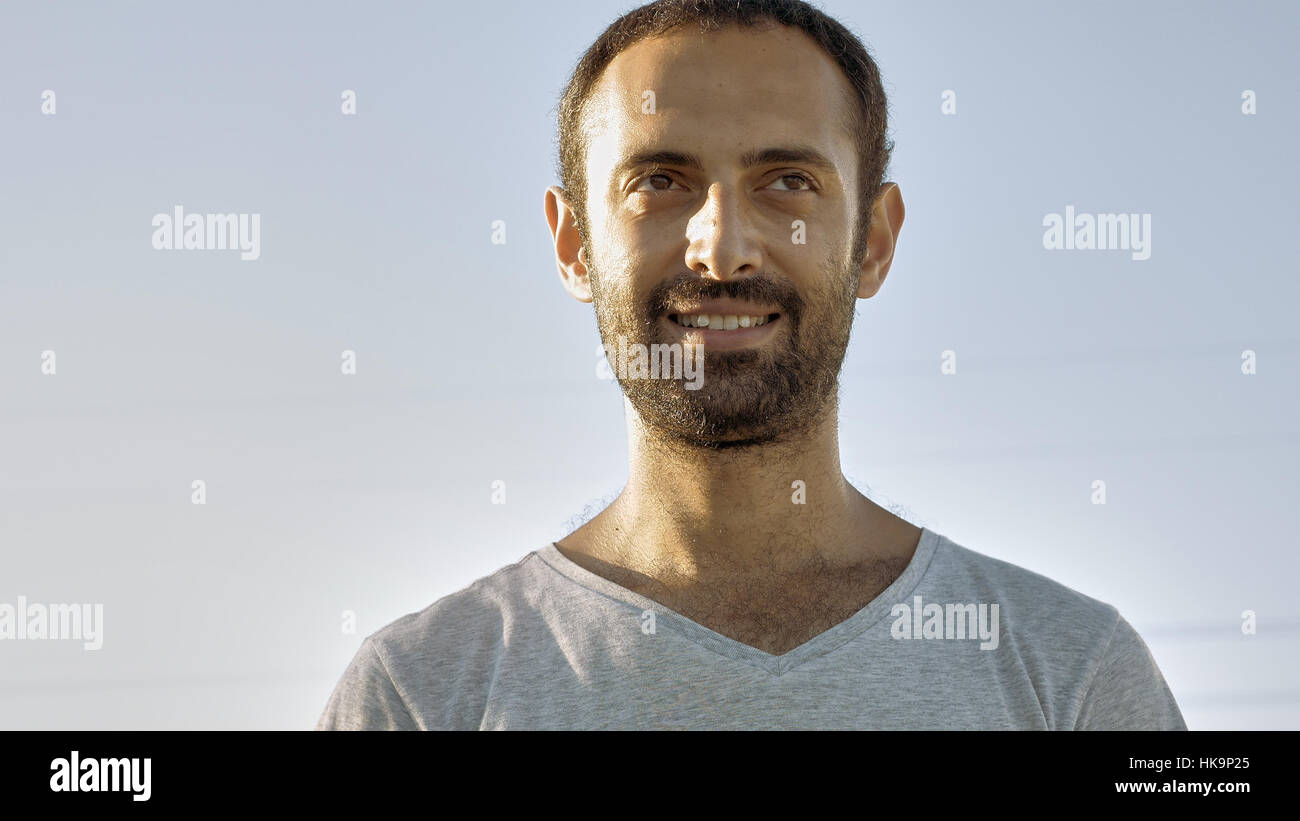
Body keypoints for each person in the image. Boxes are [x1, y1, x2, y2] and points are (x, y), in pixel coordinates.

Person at [317, 0, 1186, 730]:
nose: (722, 247)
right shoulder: (421, 693)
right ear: (575, 243)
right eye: (659, 179)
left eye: (787, 181)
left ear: (873, 242)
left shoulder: (1072, 677)